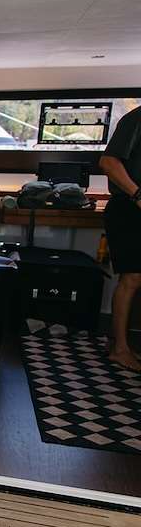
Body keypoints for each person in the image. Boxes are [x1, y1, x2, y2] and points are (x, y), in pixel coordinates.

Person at [99, 105, 141, 371]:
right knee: (132, 277)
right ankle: (120, 349)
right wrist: (137, 195)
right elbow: (108, 162)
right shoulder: (136, 119)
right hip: (129, 208)